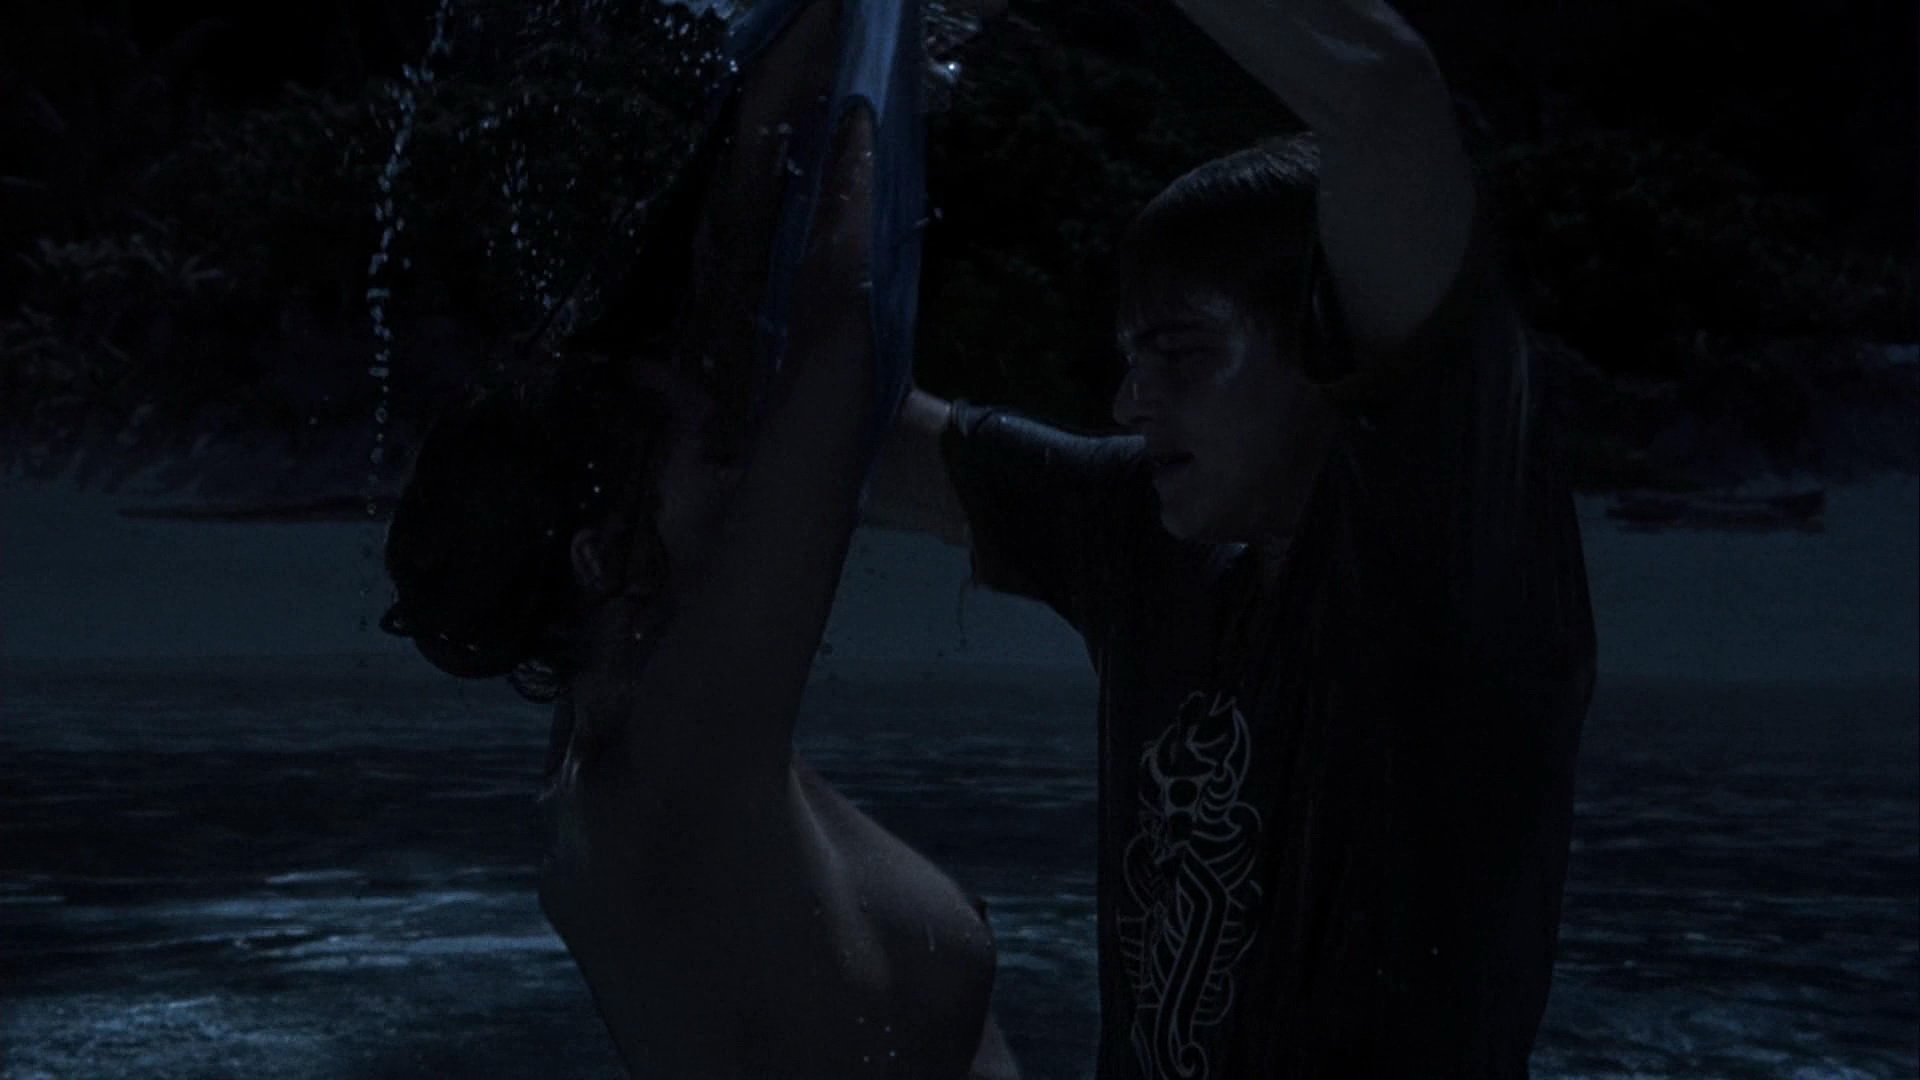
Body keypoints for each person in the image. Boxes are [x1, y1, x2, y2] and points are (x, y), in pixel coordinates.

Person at [867, 0, 1598, 1075]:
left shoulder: (1447, 557)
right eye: (1132, 358)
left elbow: (1383, 91)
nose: (1128, 402)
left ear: (1327, 355)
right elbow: (869, 442)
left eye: (1181, 353)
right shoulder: (1149, 538)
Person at [381, 0, 1018, 1075]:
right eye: (711, 449)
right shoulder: (683, 750)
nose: (739, 458)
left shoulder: (609, 739)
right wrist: (877, 57)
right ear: (598, 552)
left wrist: (797, 75)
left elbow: (723, 306)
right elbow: (837, 334)